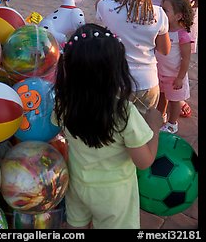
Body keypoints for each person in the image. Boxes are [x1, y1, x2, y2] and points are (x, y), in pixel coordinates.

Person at [53, 23, 163, 229]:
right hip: (114, 195)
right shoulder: (124, 113)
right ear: (115, 70)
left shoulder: (63, 104)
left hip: (77, 185)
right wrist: (154, 126)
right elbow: (144, 161)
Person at [95, 0, 170, 113]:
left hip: (117, 83)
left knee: (116, 130)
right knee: (144, 132)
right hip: (148, 83)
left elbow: (99, 3)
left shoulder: (108, 7)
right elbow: (164, 50)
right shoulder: (158, 14)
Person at [156, 0, 194, 134]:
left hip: (174, 76)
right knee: (161, 97)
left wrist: (180, 77)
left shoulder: (182, 35)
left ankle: (172, 124)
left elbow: (186, 59)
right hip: (160, 72)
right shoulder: (161, 29)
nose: (161, 11)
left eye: (165, 10)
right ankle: (160, 118)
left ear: (178, 16)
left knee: (174, 101)